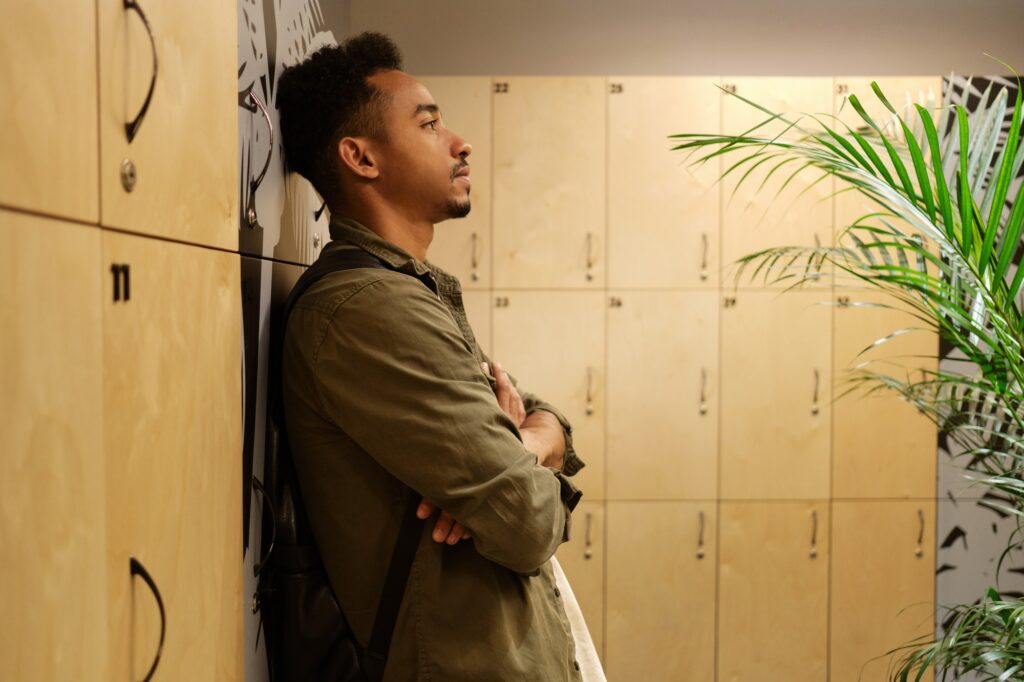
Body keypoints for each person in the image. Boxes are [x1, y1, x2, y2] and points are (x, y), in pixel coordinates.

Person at [276, 31, 589, 680]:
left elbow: (543, 419)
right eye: (430, 123)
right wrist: (521, 455)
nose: (460, 141)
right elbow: (528, 519)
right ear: (361, 158)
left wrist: (524, 447)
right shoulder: (369, 309)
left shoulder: (409, 292)